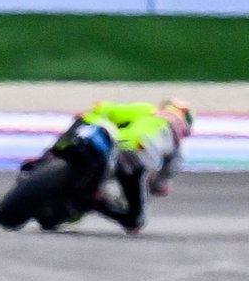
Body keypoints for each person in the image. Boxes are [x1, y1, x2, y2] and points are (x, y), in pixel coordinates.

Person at [76, 99, 192, 233]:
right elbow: (166, 176)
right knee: (136, 221)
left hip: (116, 144)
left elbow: (111, 111)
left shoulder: (149, 110)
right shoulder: (177, 145)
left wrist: (94, 112)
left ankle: (88, 193)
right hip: (136, 158)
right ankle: (96, 200)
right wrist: (159, 186)